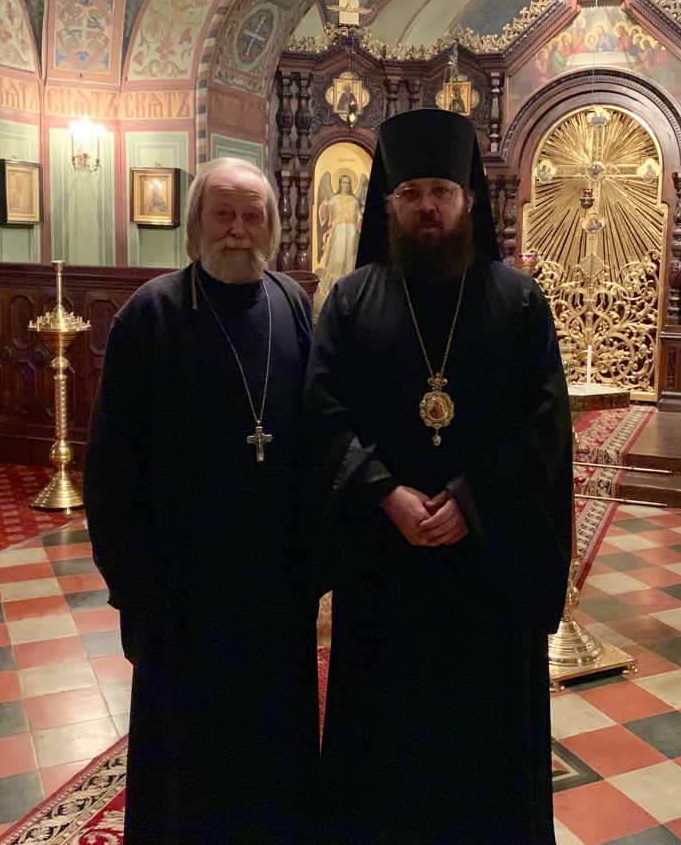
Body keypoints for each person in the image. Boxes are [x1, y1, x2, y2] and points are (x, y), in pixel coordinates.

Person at [305, 108, 573, 844]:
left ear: (468, 201)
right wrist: (381, 491)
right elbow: (322, 412)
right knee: (383, 742)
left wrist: (471, 498)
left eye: (442, 192)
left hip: (486, 571)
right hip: (383, 568)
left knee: (484, 751)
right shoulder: (351, 302)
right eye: (412, 193)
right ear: (388, 205)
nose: (428, 206)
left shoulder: (518, 301)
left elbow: (546, 422)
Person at [84, 157, 317, 844]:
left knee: (275, 760)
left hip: (276, 591)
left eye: (252, 215)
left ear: (272, 226)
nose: (238, 230)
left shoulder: (293, 304)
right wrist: (136, 590)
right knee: (188, 772)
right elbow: (111, 467)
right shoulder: (150, 315)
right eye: (223, 214)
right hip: (182, 597)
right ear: (195, 224)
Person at [315, 173, 362, 309]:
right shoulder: (334, 199)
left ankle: (349, 290)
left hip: (351, 232)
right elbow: (326, 212)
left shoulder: (354, 200)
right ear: (339, 184)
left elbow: (358, 215)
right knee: (338, 259)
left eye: (348, 183)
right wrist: (325, 205)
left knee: (350, 259)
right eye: (343, 182)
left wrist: (360, 218)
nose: (345, 185)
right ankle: (335, 288)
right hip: (339, 232)